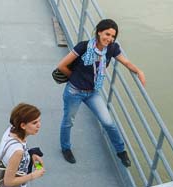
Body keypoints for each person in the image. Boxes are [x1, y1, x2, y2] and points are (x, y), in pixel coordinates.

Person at [57, 19, 146, 167]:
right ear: (99, 32)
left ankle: (121, 151)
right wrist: (74, 78)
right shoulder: (83, 47)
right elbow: (61, 65)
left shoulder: (112, 48)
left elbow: (126, 62)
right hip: (74, 91)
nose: (109, 39)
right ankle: (66, 148)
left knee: (108, 122)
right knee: (68, 122)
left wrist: (139, 71)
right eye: (107, 34)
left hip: (93, 92)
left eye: (113, 36)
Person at [0, 103, 46, 187]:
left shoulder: (11, 130)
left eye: (39, 121)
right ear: (23, 125)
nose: (39, 125)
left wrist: (31, 156)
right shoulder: (17, 152)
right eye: (34, 123)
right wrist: (33, 175)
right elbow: (8, 181)